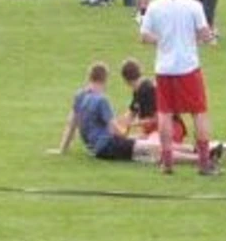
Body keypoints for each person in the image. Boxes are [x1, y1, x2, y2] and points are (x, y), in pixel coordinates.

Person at [139, 0, 219, 175]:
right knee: (199, 112)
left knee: (164, 113)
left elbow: (144, 36)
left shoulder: (155, 6)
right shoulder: (193, 6)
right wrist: (207, 38)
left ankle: (167, 162)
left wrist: (163, 40)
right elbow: (205, 34)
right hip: (187, 66)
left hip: (164, 67)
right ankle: (203, 161)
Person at [49, 62, 204, 166]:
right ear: (104, 79)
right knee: (154, 149)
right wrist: (124, 133)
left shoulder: (79, 95)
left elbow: (71, 124)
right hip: (108, 145)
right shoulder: (102, 100)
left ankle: (199, 151)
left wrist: (62, 149)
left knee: (148, 146)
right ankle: (199, 157)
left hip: (99, 147)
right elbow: (115, 128)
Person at [118, 58, 186, 144]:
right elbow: (131, 113)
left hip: (170, 128)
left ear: (125, 80)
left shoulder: (148, 89)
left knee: (147, 146)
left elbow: (157, 118)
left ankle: (194, 151)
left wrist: (134, 123)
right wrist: (122, 126)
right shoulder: (139, 89)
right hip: (160, 130)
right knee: (130, 142)